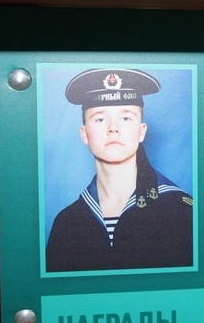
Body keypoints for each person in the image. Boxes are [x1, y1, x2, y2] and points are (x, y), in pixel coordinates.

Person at [46, 68, 193, 272]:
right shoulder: (67, 222)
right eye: (100, 119)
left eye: (126, 118)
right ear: (84, 134)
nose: (113, 128)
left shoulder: (180, 211)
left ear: (141, 132)